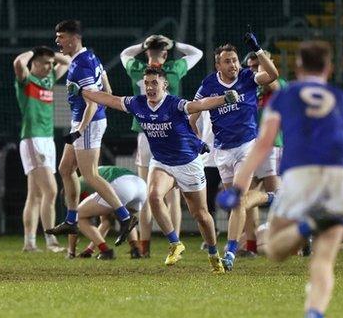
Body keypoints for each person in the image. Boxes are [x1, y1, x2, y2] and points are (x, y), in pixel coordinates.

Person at [225, 40, 343, 318]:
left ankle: (308, 224)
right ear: (330, 68)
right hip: (340, 176)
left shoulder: (285, 96)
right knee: (324, 260)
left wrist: (238, 186)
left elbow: (262, 145)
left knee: (274, 248)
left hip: (302, 172)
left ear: (298, 68)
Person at [81, 66, 239, 273]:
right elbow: (110, 99)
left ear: (165, 85)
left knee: (200, 213)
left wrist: (224, 99)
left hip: (187, 163)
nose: (149, 87)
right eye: (146, 83)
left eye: (154, 83)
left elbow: (199, 104)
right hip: (162, 162)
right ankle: (175, 243)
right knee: (153, 196)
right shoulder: (137, 104)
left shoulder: (174, 104)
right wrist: (82, 91)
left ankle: (212, 253)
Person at [190, 34, 279, 271]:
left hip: (247, 147)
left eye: (235, 60)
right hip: (221, 151)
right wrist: (196, 139)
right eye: (227, 61)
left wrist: (258, 50)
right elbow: (193, 111)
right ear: (218, 65)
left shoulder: (248, 77)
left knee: (237, 198)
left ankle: (229, 253)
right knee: (235, 204)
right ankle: (270, 197)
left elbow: (272, 75)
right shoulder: (208, 84)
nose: (233, 65)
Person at [46, 20, 137, 246]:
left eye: (61, 37)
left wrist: (80, 131)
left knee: (90, 175)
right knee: (65, 168)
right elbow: (107, 89)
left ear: (74, 38)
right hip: (82, 122)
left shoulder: (81, 66)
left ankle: (125, 217)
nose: (58, 41)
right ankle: (71, 219)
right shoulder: (89, 58)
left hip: (86, 124)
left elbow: (93, 103)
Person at [119, 33, 202, 258]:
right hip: (172, 136)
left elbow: (124, 54)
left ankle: (143, 246)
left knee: (146, 193)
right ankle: (173, 245)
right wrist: (174, 43)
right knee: (172, 196)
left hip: (145, 135)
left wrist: (142, 44)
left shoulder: (137, 69)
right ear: (166, 53)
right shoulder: (174, 70)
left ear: (147, 52)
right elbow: (197, 53)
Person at [13, 46, 70, 253]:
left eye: (49, 62)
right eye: (43, 62)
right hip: (32, 139)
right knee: (51, 191)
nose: (48, 66)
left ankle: (29, 243)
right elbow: (18, 63)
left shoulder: (49, 80)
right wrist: (32, 51)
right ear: (34, 63)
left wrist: (50, 55)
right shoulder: (27, 81)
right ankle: (51, 241)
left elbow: (68, 62)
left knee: (35, 195)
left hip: (47, 140)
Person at [237, 51, 286, 257]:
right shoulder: (249, 85)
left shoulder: (279, 83)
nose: (255, 68)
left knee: (278, 197)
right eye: (251, 65)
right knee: (245, 198)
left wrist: (260, 71)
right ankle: (250, 245)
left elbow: (271, 84)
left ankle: (299, 240)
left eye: (259, 64)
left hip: (270, 145)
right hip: (249, 147)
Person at [68, 165, 148, 260]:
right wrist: (89, 250)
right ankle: (136, 250)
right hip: (141, 187)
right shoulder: (100, 170)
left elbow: (71, 222)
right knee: (123, 218)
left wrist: (71, 251)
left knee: (78, 215)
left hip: (120, 185)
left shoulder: (79, 182)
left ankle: (105, 251)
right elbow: (105, 222)